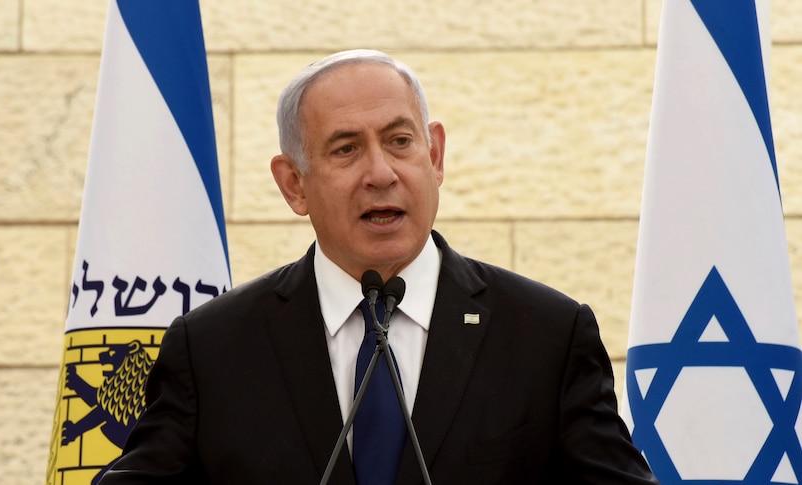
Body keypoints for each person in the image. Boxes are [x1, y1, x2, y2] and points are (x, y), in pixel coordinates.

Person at [98, 49, 658, 484]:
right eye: (346, 149)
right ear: (294, 184)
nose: (381, 172)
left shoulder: (546, 336)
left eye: (400, 141)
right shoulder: (214, 349)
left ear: (434, 156)